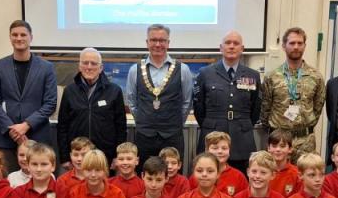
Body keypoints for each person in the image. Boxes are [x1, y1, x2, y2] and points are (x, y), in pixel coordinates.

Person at [0, 20, 58, 172]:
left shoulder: (46, 67)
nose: (19, 38)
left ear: (31, 37)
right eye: (15, 35)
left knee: (39, 181)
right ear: (10, 38)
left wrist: (26, 125)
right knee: (9, 183)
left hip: (38, 136)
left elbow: (50, 103)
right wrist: (12, 129)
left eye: (23, 34)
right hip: (7, 138)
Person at [194, 31, 261, 174]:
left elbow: (255, 108)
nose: (231, 46)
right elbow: (199, 107)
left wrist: (243, 123)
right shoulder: (205, 73)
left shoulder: (252, 75)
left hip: (242, 137)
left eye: (236, 43)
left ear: (242, 49)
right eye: (228, 43)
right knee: (208, 176)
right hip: (213, 133)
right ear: (220, 48)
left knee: (241, 179)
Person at [125, 25, 194, 165]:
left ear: (168, 43)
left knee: (173, 176)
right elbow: (131, 101)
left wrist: (174, 123)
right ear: (147, 42)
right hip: (144, 136)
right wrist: (144, 120)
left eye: (162, 40)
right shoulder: (135, 70)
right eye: (153, 40)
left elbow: (187, 102)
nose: (158, 44)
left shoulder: (183, 69)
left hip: (172, 135)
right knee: (146, 175)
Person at [260, 27, 326, 156]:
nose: (296, 47)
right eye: (292, 43)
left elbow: (318, 107)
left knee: (305, 175)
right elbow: (265, 108)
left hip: (305, 140)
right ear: (284, 46)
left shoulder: (316, 76)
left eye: (300, 43)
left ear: (305, 46)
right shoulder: (272, 76)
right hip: (278, 140)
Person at [56, 47, 127, 168]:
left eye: (93, 63)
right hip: (78, 157)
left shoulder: (114, 91)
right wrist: (64, 158)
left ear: (101, 68)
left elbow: (121, 127)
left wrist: (117, 157)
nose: (89, 67)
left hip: (105, 157)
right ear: (79, 66)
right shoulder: (69, 91)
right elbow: (62, 126)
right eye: (85, 63)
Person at [195, 131, 248, 197]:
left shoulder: (239, 177)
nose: (220, 151)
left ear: (229, 150)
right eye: (215, 148)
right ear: (207, 150)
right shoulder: (197, 176)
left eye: (224, 148)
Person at [267, 129, 301, 197]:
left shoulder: (297, 174)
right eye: (274, 146)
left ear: (290, 149)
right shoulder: (263, 172)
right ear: (268, 148)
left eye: (282, 146)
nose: (278, 149)